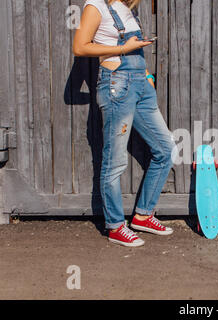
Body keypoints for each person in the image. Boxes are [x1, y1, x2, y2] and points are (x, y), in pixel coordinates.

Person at [73, 0, 176, 247]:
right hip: (117, 85)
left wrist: (147, 75)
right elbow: (79, 47)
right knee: (115, 161)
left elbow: (135, 48)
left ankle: (142, 215)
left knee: (165, 148)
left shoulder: (127, 8)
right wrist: (122, 50)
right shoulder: (95, 5)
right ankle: (115, 226)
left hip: (141, 85)